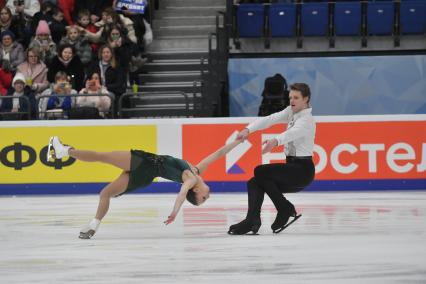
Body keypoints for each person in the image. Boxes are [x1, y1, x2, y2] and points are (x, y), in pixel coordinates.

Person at [47, 136, 242, 239]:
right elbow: (219, 153)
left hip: (146, 163)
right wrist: (238, 141)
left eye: (204, 198)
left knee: (102, 156)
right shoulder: (196, 170)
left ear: (197, 191)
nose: (209, 195)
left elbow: (182, 193)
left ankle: (64, 150)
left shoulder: (190, 179)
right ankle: (93, 226)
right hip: (145, 175)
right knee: (105, 193)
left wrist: (175, 212)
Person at [228, 83, 316, 235]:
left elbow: (292, 133)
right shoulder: (291, 112)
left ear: (306, 99)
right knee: (254, 182)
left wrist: (275, 141)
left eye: (296, 98)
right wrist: (247, 130)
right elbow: (270, 119)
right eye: (290, 97)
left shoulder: (307, 120)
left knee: (260, 171)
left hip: (302, 171)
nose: (292, 101)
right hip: (292, 168)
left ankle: (284, 208)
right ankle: (252, 220)